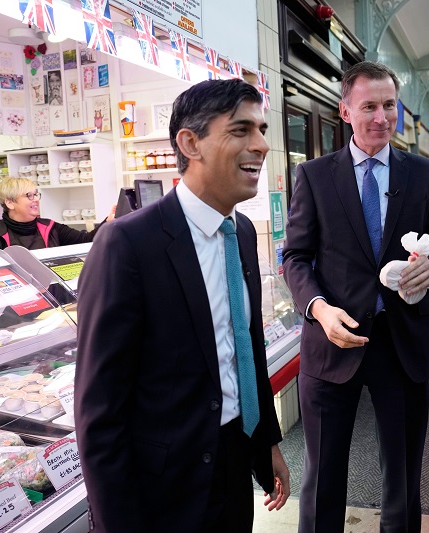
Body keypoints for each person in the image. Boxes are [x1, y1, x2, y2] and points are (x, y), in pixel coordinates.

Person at [75, 79, 290, 532]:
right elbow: (99, 410)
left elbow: (246, 349)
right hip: (163, 487)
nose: (262, 144)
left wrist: (267, 441)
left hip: (235, 461)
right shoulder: (128, 244)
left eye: (262, 129)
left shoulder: (243, 233)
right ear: (190, 143)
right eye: (241, 130)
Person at [283, 61, 429, 532]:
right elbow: (295, 257)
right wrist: (319, 310)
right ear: (345, 110)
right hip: (331, 342)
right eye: (369, 106)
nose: (381, 117)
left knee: (403, 478)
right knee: (322, 480)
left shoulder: (422, 173)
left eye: (389, 106)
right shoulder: (315, 177)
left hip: (401, 341)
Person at [0, 176, 114, 254]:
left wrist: (109, 222)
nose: (36, 199)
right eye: (29, 196)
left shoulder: (51, 228)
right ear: (10, 203)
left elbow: (86, 240)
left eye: (36, 194)